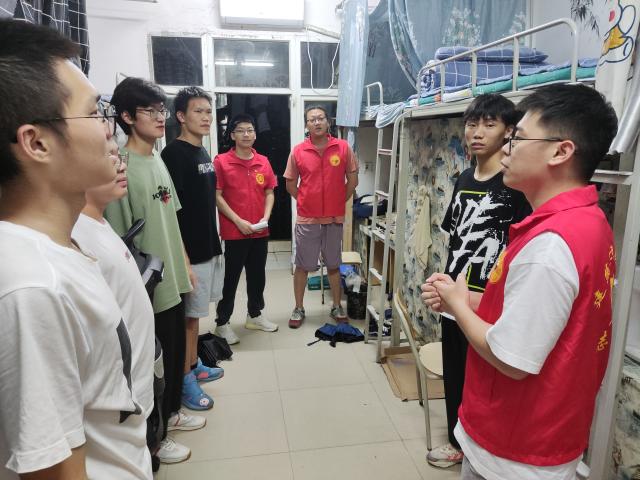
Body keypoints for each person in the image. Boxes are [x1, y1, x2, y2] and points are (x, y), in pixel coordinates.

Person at [422, 84, 618, 480]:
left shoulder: (549, 246)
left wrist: (458, 306)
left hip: (513, 448)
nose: (506, 149)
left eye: (518, 138)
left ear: (560, 151)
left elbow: (510, 358)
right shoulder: (588, 221)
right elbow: (531, 313)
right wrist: (463, 298)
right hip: (543, 431)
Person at [0, 20, 151, 479]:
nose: (109, 131)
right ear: (37, 143)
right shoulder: (34, 286)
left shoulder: (60, 247)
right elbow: (53, 469)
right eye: (94, 113)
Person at [426, 94, 531, 468]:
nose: (477, 132)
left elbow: (519, 249)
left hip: (488, 303)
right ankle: (457, 442)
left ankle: (481, 448)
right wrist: (443, 283)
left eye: (489, 124)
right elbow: (454, 238)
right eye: (472, 124)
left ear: (508, 131)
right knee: (455, 372)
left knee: (485, 379)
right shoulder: (464, 178)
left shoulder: (516, 185)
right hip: (454, 298)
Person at [104, 77, 205, 465]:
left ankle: (173, 414)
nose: (160, 117)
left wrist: (185, 264)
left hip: (173, 276)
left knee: (175, 352)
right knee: (154, 366)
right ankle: (157, 440)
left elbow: (172, 218)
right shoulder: (122, 166)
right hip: (149, 284)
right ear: (127, 117)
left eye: (162, 110)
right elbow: (122, 241)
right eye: (150, 110)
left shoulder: (156, 158)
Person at [72, 149, 159, 467]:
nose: (120, 165)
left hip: (136, 385)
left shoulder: (98, 222)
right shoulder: (77, 236)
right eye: (107, 154)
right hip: (120, 397)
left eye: (119, 157)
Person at [161, 87, 225, 410]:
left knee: (196, 315)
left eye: (208, 111)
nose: (206, 117)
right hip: (191, 251)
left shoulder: (202, 152)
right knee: (188, 318)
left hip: (208, 244)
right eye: (198, 111)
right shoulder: (174, 155)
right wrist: (184, 258)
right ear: (181, 116)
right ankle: (185, 379)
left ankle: (194, 363)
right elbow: (173, 213)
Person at [284, 106, 359, 328]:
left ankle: (336, 306)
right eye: (311, 120)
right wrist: (306, 201)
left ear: (328, 122)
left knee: (334, 264)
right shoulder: (298, 151)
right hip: (308, 219)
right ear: (306, 125)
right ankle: (298, 307)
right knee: (302, 265)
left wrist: (339, 202)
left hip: (334, 219)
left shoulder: (343, 147)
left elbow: (352, 181)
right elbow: (290, 184)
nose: (316, 122)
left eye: (320, 118)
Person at [213, 113, 279, 345]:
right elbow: (217, 196)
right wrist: (238, 221)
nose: (246, 134)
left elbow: (269, 192)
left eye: (250, 130)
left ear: (255, 134)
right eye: (240, 130)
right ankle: (222, 323)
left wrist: (266, 217)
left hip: (260, 230)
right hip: (235, 231)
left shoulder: (263, 161)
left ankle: (255, 315)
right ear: (232, 135)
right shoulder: (221, 162)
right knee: (230, 278)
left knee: (257, 275)